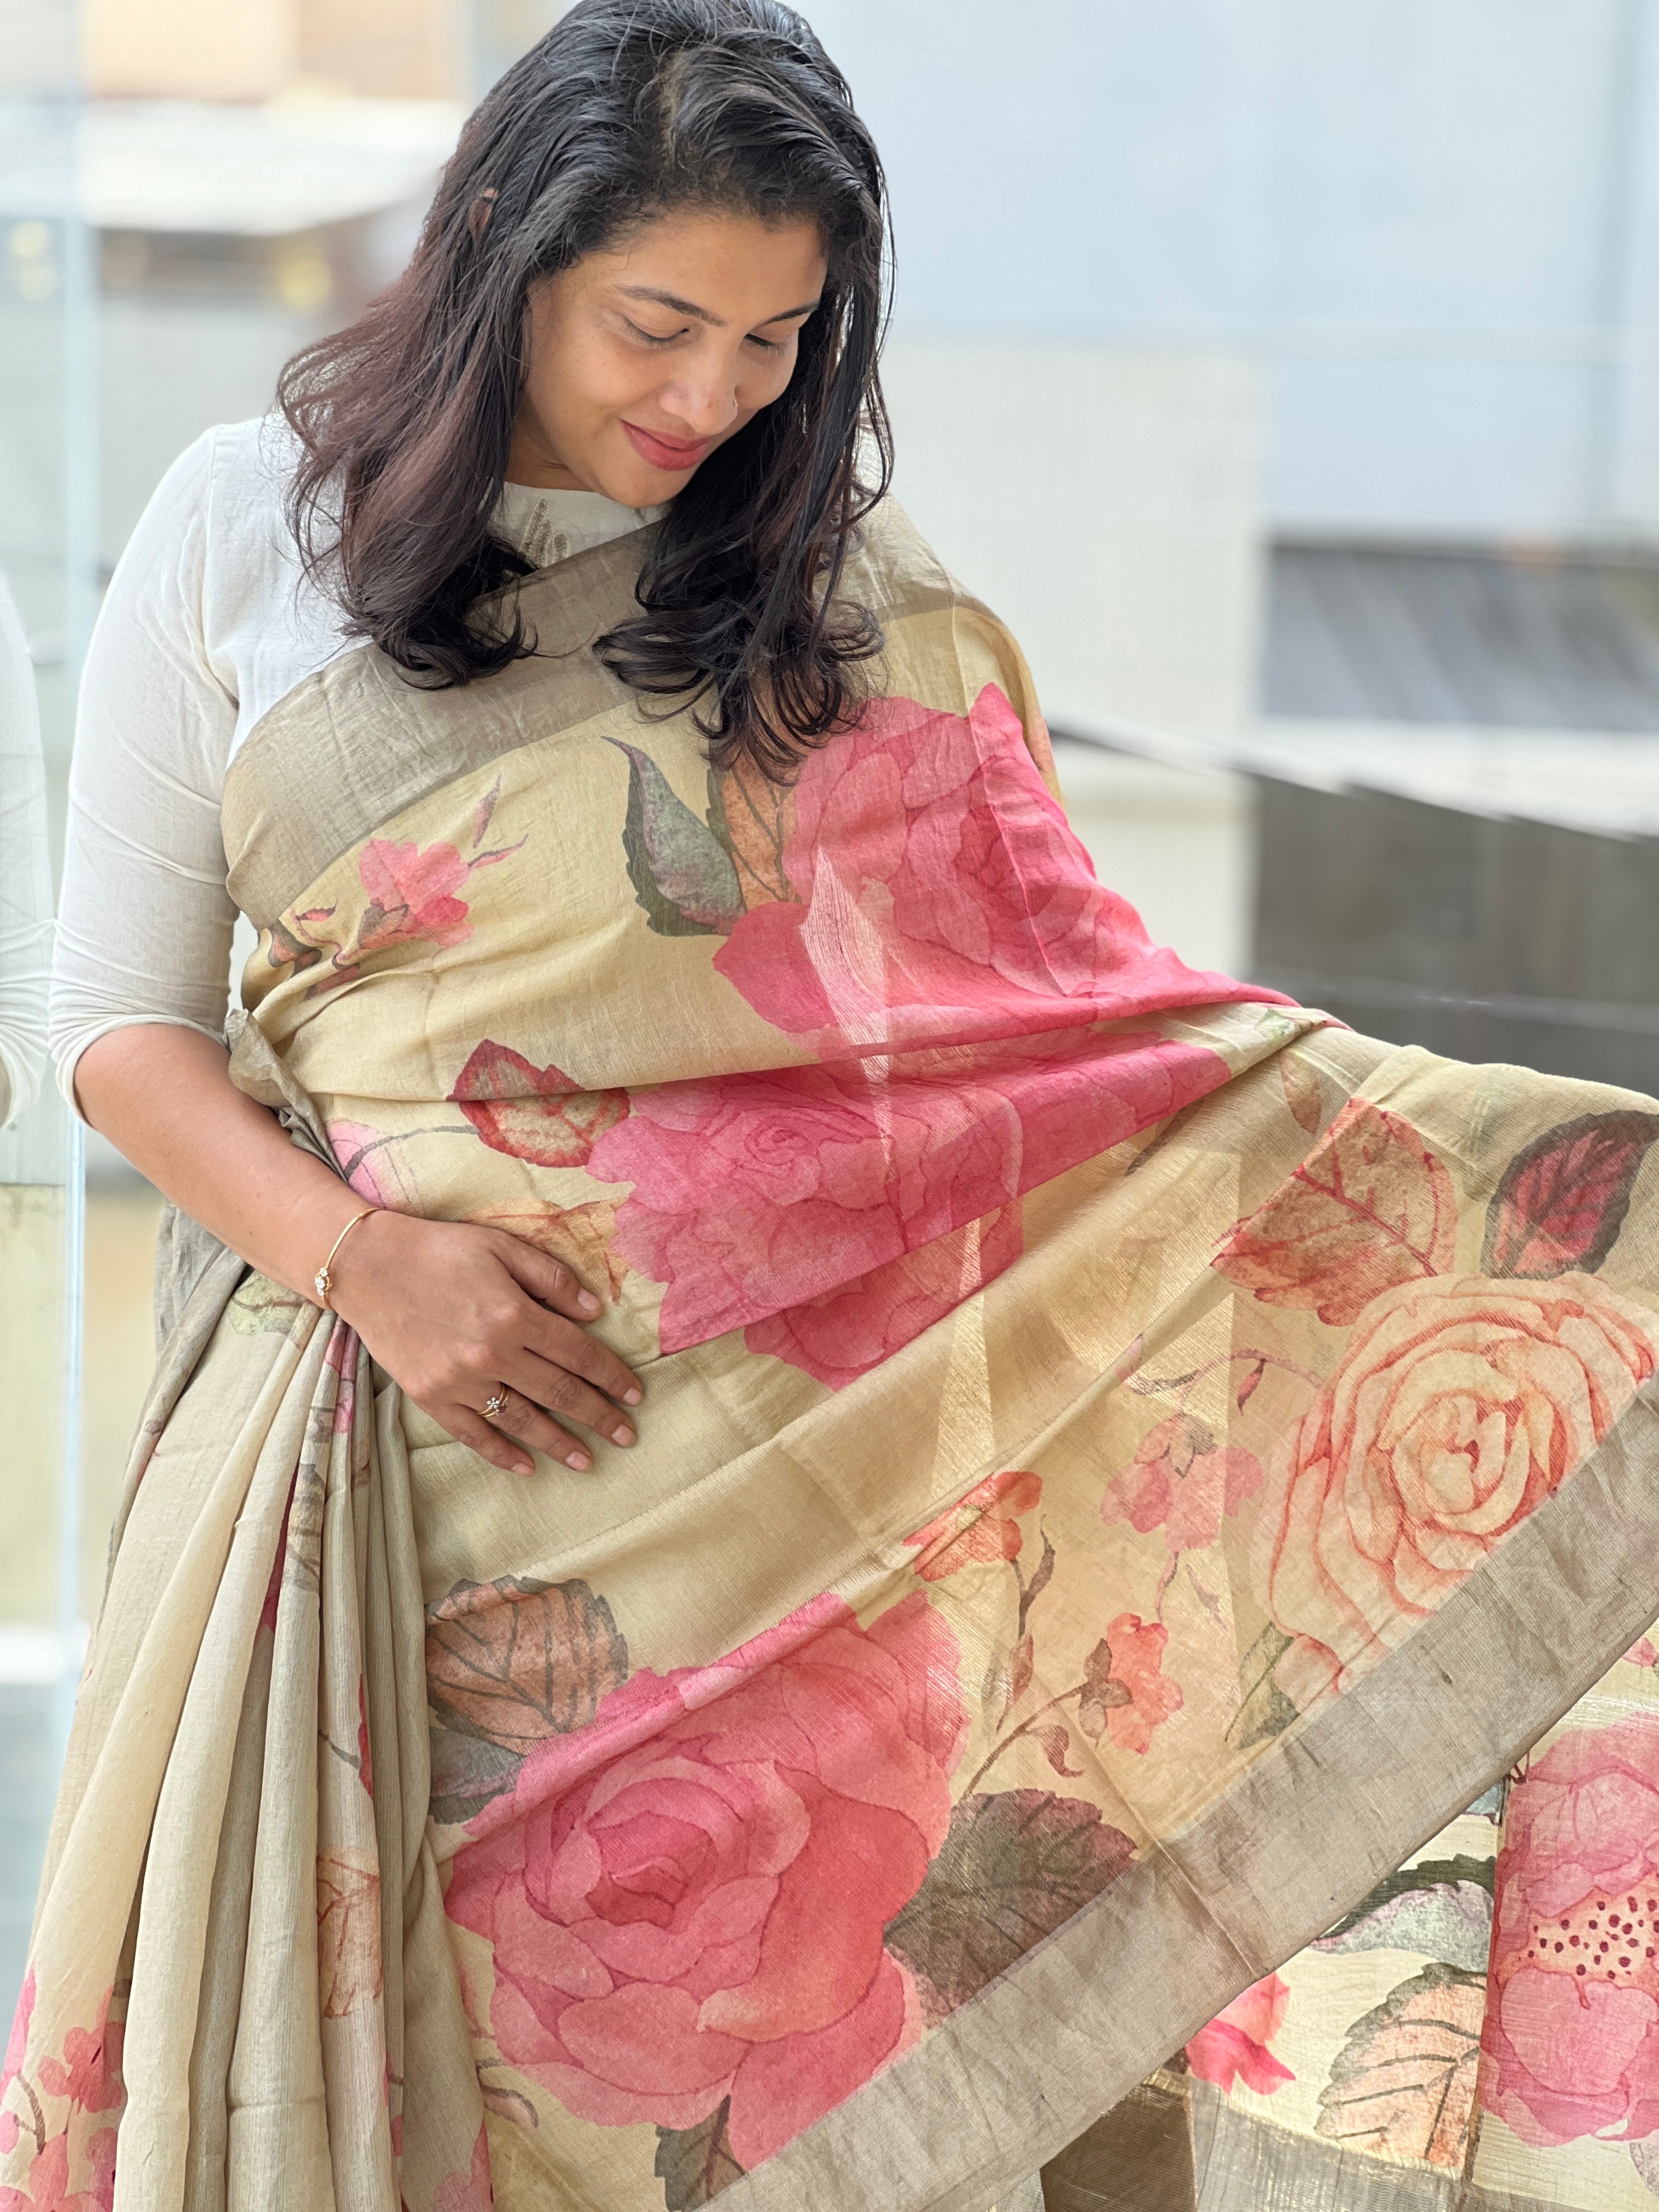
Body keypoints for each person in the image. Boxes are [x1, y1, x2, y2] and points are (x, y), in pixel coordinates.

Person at [16, 4, 1659, 2207]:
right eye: (658, 324)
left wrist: (1568, 1199)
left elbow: (1080, 1070)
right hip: (393, 1503)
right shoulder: (248, 527)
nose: (710, 397)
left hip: (808, 1569)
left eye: (777, 341)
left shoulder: (857, 610)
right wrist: (365, 1260)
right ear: (500, 247)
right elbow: (114, 1027)